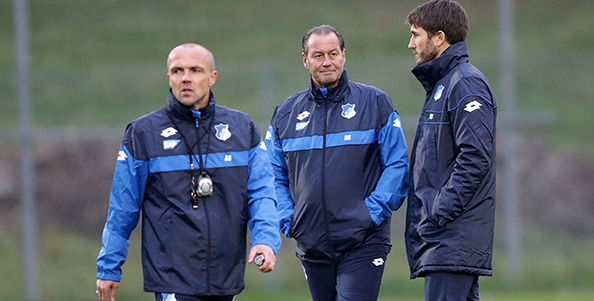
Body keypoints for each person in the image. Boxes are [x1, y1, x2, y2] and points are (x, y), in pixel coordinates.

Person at [95, 43, 281, 301]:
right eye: (177, 71)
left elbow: (262, 193)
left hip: (226, 277)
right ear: (168, 78)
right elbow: (122, 208)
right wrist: (109, 266)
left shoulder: (241, 129)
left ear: (212, 77)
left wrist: (266, 239)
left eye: (195, 70)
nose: (186, 78)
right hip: (172, 277)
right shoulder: (143, 134)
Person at [265, 25, 409, 301]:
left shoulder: (375, 103)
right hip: (312, 243)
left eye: (333, 53)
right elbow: (272, 174)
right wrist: (288, 217)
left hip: (363, 241)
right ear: (305, 60)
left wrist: (370, 213)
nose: (327, 61)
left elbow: (398, 165)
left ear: (344, 56)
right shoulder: (285, 113)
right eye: (318, 55)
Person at [403, 1, 497, 300]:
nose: (410, 44)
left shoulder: (465, 83)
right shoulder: (444, 84)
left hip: (452, 237)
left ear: (439, 38)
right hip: (447, 238)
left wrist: (440, 210)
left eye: (416, 34)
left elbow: (475, 157)